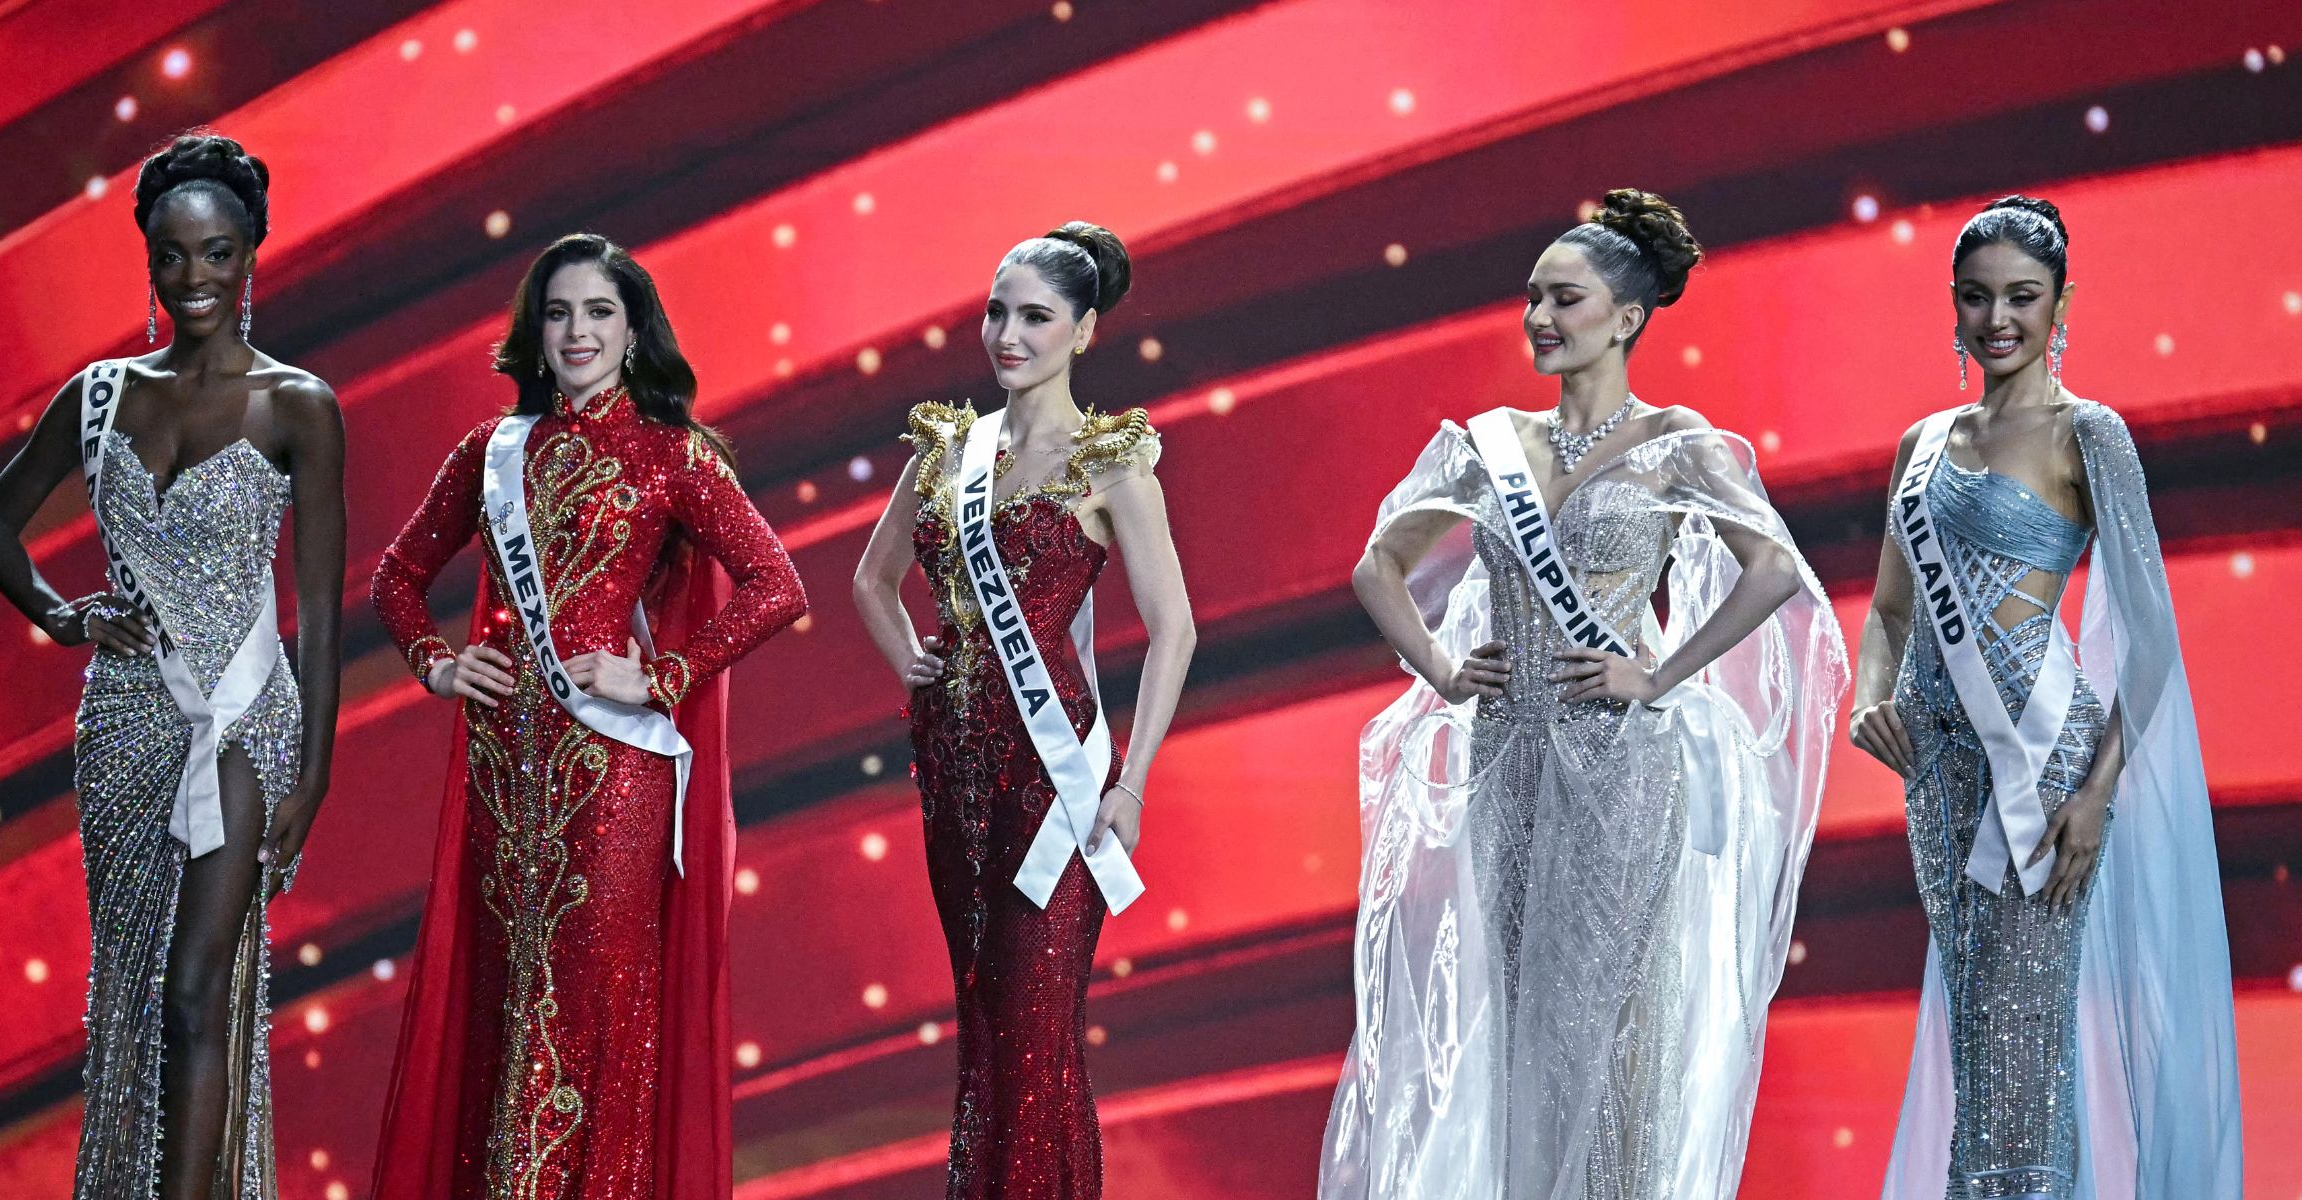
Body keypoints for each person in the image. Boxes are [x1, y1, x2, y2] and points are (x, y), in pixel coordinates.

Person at [1319, 189, 1846, 1199]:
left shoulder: (1676, 441)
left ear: (1628, 316)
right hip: (1508, 757)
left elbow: (1775, 571)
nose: (1540, 319)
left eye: (1565, 299)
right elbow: (1375, 566)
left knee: (1615, 1024)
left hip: (1623, 762)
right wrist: (1441, 668)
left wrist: (1659, 673)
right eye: (1533, 299)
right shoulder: (1490, 443)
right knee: (1524, 1018)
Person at [368, 233, 805, 1198]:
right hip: (501, 770)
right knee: (502, 1001)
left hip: (612, 777)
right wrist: (437, 665)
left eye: (599, 312)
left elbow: (778, 585)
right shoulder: (491, 450)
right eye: (558, 312)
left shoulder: (673, 453)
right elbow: (395, 576)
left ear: (633, 329)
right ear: (535, 329)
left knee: (592, 1008)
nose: (577, 331)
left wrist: (662, 677)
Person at [0, 131, 345, 1199]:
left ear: (251, 252)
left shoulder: (298, 404)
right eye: (172, 257)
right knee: (132, 989)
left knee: (193, 990)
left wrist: (315, 775)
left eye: (216, 254)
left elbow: (320, 610)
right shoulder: (100, 396)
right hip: (127, 721)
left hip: (245, 720)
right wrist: (61, 615)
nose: (195, 278)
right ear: (148, 261)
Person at [1855, 196, 2242, 1198]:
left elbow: (2150, 642)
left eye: (2022, 297)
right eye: (1977, 297)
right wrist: (1867, 697)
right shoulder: (1921, 443)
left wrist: (2097, 795)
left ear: (2061, 303)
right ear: (1952, 304)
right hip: (1938, 776)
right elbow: (1891, 610)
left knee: (2021, 1047)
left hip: (2042, 766)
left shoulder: (2090, 434)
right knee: (1980, 1031)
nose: (1999, 319)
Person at [851, 221, 1195, 1199]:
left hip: (1057, 782)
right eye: (998, 312)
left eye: (1036, 317)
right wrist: (915, 666)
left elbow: (1174, 630)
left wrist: (1132, 783)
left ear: (1083, 331)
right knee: (988, 1031)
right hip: (952, 778)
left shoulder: (1111, 462)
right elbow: (872, 581)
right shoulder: (943, 453)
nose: (1009, 335)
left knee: (1038, 1036)